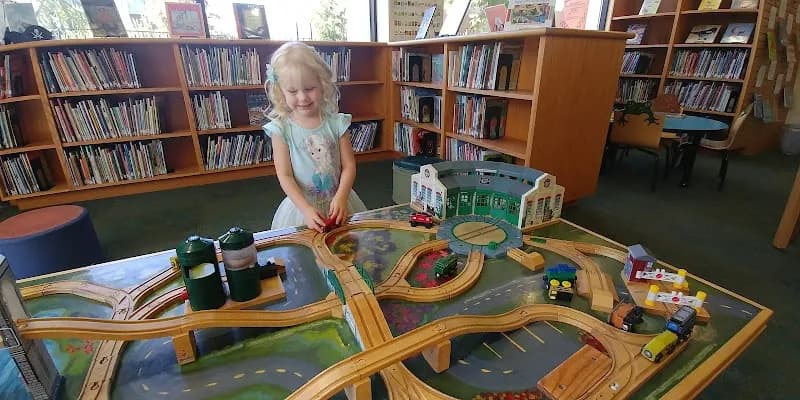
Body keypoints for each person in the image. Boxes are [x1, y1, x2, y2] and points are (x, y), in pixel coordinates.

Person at [263, 42, 367, 232]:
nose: (302, 98)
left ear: (322, 84)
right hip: (302, 208)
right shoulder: (281, 130)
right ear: (281, 91)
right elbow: (285, 175)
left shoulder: (337, 123)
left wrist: (342, 196)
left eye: (309, 88)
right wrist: (305, 209)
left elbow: (349, 166)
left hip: (340, 201)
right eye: (293, 91)